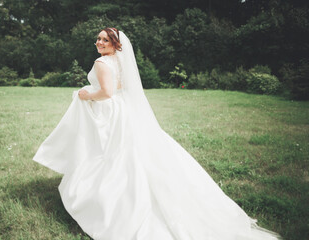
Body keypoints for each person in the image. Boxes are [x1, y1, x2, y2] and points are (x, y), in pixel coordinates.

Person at [33, 28, 282, 240]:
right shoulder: (119, 61)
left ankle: (113, 206)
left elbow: (107, 92)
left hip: (112, 112)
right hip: (125, 112)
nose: (99, 43)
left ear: (115, 44)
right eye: (98, 39)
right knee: (137, 154)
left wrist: (85, 94)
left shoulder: (101, 63)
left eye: (105, 40)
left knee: (112, 156)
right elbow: (121, 88)